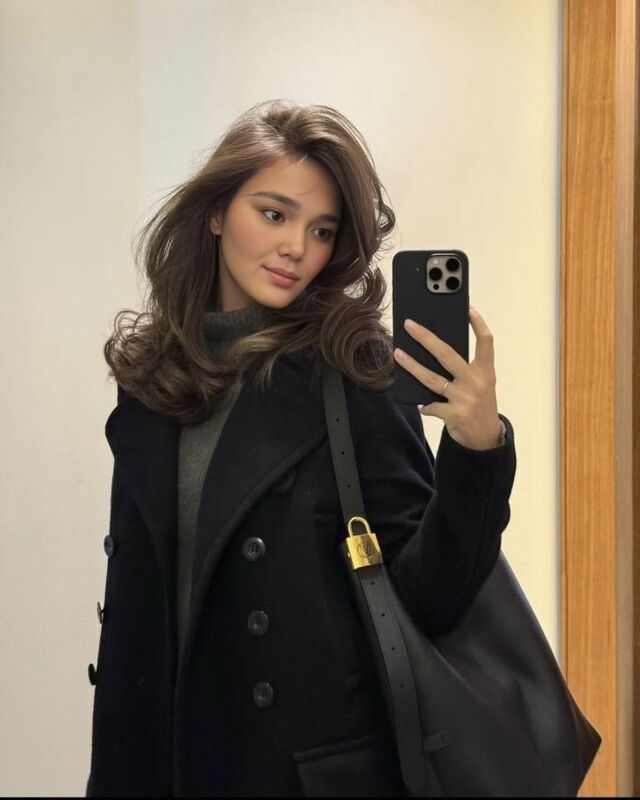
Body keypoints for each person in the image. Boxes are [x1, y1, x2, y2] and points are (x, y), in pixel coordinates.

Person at [86, 99, 516, 797]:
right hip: (156, 764)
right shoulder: (152, 382)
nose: (296, 248)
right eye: (274, 214)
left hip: (298, 775)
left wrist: (476, 451)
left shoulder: (352, 375)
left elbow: (429, 602)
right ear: (217, 212)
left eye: (321, 230)